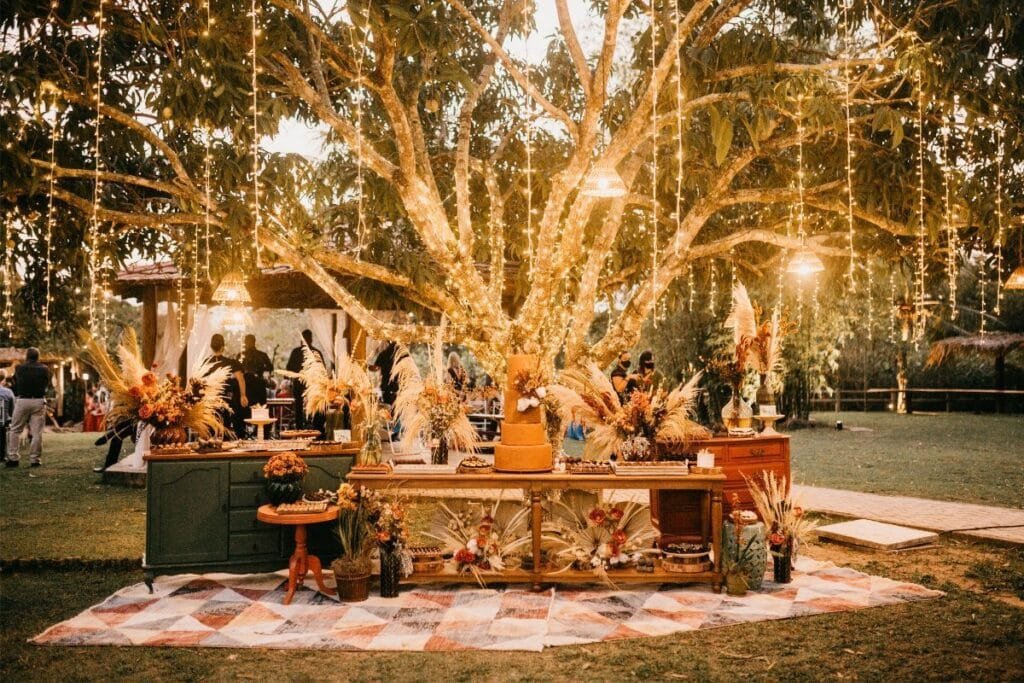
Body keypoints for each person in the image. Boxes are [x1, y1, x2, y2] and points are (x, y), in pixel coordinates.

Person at [6, 348, 51, 467]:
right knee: (37, 432)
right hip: (38, 400)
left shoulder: (19, 368)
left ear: (27, 356)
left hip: (23, 400)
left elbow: (15, 382)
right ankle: (35, 460)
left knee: (15, 429)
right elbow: (47, 384)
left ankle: (13, 458)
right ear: (38, 356)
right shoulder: (44, 369)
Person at [205, 334, 247, 438]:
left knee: (211, 426)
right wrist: (243, 395)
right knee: (225, 424)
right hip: (227, 400)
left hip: (210, 400)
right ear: (223, 347)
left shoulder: (205, 363)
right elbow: (240, 379)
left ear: (211, 347)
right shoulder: (231, 363)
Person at [285, 329, 324, 432]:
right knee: (312, 406)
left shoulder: (296, 352)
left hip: (304, 383)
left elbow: (289, 368)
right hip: (310, 384)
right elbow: (322, 370)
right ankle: (316, 428)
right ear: (311, 339)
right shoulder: (316, 352)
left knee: (299, 407)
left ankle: (299, 428)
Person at [238, 334, 274, 414]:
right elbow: (270, 367)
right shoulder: (262, 355)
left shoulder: (240, 356)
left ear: (245, 343)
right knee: (260, 408)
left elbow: (236, 370)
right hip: (259, 385)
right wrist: (261, 369)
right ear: (254, 342)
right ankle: (260, 425)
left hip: (245, 385)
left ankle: (244, 425)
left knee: (244, 409)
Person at [369, 341, 402, 407]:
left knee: (388, 406)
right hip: (397, 386)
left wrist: (368, 366)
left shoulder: (383, 354)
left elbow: (375, 368)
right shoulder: (401, 356)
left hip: (386, 386)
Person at [0, 372, 14, 460]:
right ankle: (1, 455)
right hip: (2, 422)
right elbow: (13, 409)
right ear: (3, 380)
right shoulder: (7, 392)